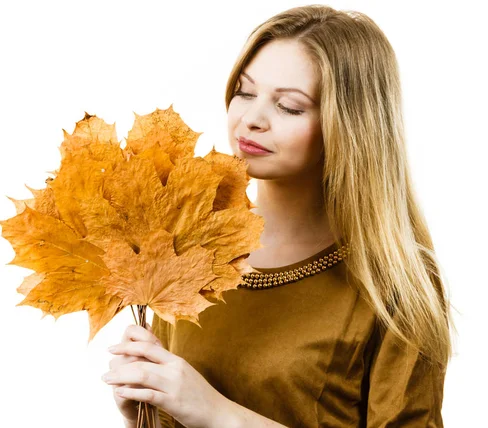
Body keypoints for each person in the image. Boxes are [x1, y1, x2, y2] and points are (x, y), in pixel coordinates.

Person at [103, 5, 455, 427]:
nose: (250, 120)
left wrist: (216, 414)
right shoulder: (186, 250)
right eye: (245, 93)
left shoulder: (393, 285)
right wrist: (144, 412)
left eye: (289, 106)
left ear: (348, 127)